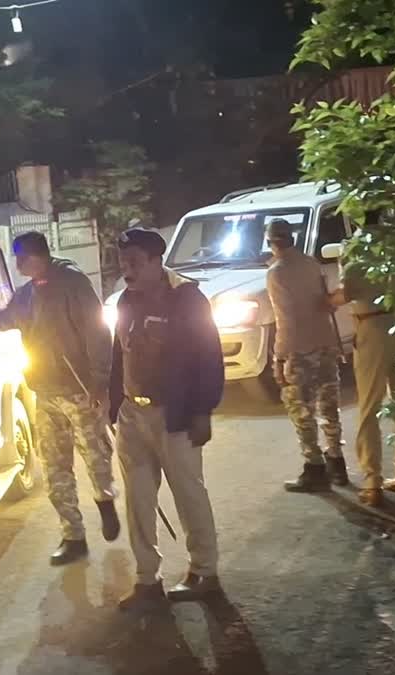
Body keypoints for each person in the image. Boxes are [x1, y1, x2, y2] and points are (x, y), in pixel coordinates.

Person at [0, 231, 119, 565]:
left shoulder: (72, 283)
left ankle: (105, 500)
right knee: (54, 466)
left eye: (21, 258)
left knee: (95, 457)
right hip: (45, 391)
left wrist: (100, 380)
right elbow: (0, 320)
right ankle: (73, 536)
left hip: (78, 388)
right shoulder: (26, 295)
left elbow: (97, 330)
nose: (17, 264)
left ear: (36, 256)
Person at [109, 228, 224, 609]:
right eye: (124, 262)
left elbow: (209, 359)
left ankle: (204, 571)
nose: (127, 269)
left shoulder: (186, 299)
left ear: (157, 261)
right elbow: (118, 354)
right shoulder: (126, 300)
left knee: (189, 493)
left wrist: (202, 412)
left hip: (174, 415)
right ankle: (147, 580)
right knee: (139, 502)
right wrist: (113, 405)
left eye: (135, 262)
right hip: (132, 415)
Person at [329, 232, 395, 507]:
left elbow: (348, 293)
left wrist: (327, 299)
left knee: (369, 407)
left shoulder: (358, 246)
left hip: (372, 328)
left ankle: (372, 483)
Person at [264, 219, 348, 491]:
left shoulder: (277, 272)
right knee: (329, 407)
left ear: (271, 243)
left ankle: (314, 468)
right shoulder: (311, 264)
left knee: (302, 411)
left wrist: (278, 358)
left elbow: (285, 319)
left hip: (300, 350)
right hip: (325, 343)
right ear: (292, 238)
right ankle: (337, 462)